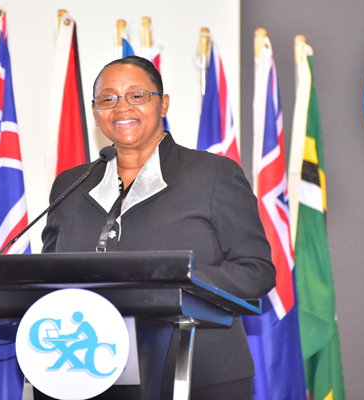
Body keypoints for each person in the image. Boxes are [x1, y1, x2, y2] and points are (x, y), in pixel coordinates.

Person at [40, 56, 276, 400]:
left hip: (199, 373)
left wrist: (171, 280)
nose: (122, 107)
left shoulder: (213, 174)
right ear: (95, 112)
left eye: (136, 95)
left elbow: (256, 272)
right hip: (85, 372)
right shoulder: (70, 185)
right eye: (108, 99)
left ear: (163, 104)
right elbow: (48, 278)